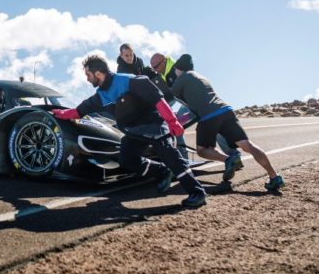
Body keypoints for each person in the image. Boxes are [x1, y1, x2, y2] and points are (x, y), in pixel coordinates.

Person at [52, 54, 207, 208]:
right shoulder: (100, 96)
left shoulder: (128, 80)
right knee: (127, 158)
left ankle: (197, 193)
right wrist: (59, 113)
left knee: (170, 156)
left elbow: (157, 99)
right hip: (135, 132)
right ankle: (162, 171)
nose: (87, 78)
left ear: (98, 73)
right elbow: (79, 111)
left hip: (154, 124)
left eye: (88, 74)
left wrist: (172, 121)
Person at [170, 57, 284, 190]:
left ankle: (228, 160)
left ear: (178, 68)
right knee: (248, 145)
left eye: (175, 70)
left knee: (202, 150)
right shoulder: (201, 77)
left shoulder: (183, 77)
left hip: (208, 117)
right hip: (226, 111)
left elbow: (169, 98)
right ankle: (275, 177)